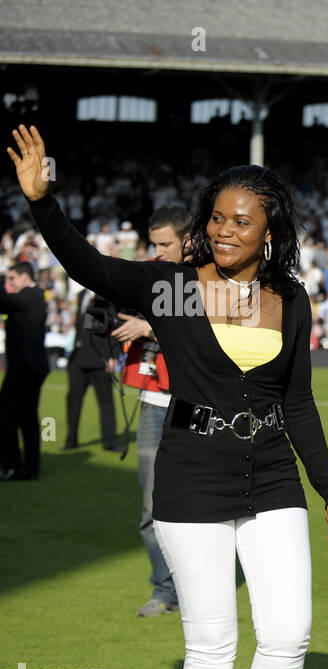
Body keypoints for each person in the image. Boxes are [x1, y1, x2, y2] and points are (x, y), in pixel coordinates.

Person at [9, 124, 328, 669]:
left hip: (271, 474)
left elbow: (298, 404)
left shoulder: (290, 298)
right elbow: (88, 264)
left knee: (288, 632)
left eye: (241, 220)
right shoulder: (168, 285)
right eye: (217, 217)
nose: (224, 230)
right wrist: (43, 204)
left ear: (270, 231)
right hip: (191, 473)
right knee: (211, 644)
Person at [109, 205, 188, 616]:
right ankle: (164, 590)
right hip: (153, 402)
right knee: (151, 505)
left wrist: (150, 326)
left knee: (201, 502)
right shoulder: (149, 276)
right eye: (152, 244)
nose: (156, 252)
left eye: (164, 244)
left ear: (187, 240)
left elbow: (206, 326)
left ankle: (196, 587)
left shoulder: (205, 278)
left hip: (194, 406)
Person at [0, 261, 48, 480]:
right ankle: (28, 468)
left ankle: (14, 465)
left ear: (24, 277)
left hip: (25, 369)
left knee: (7, 417)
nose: (9, 283)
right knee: (26, 418)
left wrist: (0, 281)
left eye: (12, 278)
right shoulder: (30, 297)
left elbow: (3, 300)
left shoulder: (32, 295)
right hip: (27, 367)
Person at [62, 286, 121, 452]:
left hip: (100, 358)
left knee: (106, 401)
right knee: (73, 400)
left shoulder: (109, 295)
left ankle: (110, 442)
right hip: (78, 358)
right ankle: (70, 441)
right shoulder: (81, 295)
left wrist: (114, 355)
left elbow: (116, 325)